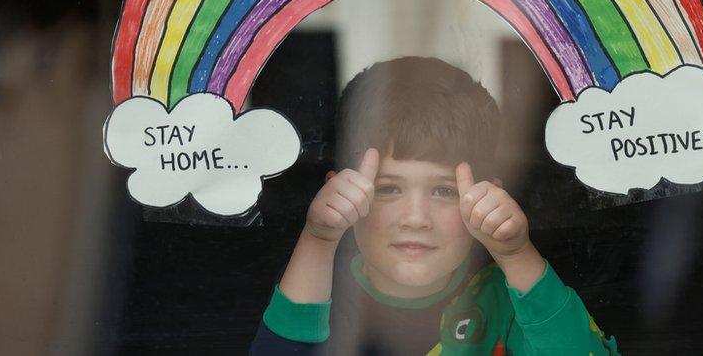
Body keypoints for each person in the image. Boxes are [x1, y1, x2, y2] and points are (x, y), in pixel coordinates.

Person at [250, 57, 619, 355]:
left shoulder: (505, 301)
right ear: (341, 192)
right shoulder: (320, 292)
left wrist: (516, 252)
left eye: (444, 192)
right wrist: (319, 237)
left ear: (490, 198)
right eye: (388, 189)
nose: (415, 219)